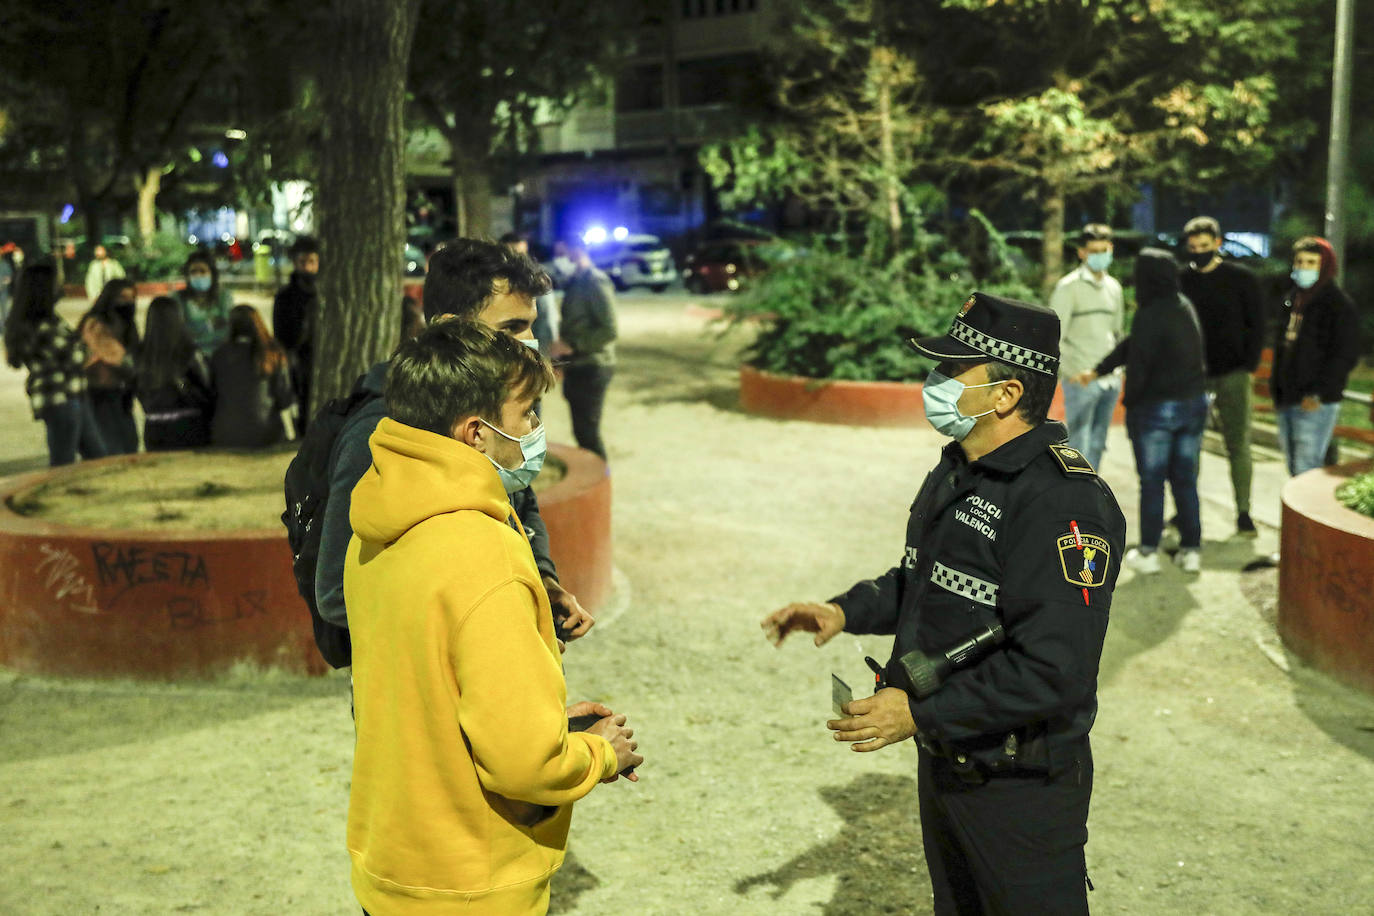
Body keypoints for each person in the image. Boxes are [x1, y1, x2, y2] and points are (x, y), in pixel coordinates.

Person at [761, 292, 1125, 915]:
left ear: (1006, 395)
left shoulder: (1063, 503)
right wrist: (845, 611)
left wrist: (919, 715)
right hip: (951, 757)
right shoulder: (962, 468)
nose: (935, 382)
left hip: (1018, 782)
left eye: (953, 371)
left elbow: (1053, 670)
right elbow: (925, 580)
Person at [345, 319, 641, 915]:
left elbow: (430, 691)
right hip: (471, 881)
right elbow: (524, 762)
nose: (536, 431)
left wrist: (540, 715)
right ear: (476, 434)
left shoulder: (377, 520)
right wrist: (600, 753)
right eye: (529, 413)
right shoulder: (487, 554)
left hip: (394, 857)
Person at [314, 238, 595, 647]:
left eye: (531, 324)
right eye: (512, 327)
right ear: (451, 325)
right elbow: (337, 594)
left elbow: (519, 498)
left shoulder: (497, 404)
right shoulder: (384, 428)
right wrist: (484, 616)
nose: (530, 341)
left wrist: (543, 581)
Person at [1075, 249, 1208, 574]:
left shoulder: (1149, 313)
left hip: (1157, 410)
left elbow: (1141, 363)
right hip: (1192, 405)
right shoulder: (1182, 306)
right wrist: (1101, 368)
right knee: (1185, 481)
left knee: (1152, 482)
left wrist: (1131, 403)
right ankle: (1191, 550)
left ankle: (1149, 552)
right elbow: (1134, 345)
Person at [1177, 216, 1266, 537]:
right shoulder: (1181, 280)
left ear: (1218, 243)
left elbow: (1257, 324)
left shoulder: (1240, 278)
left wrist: (1248, 365)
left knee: (1238, 443)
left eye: (1205, 245)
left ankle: (1244, 511)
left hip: (1233, 374)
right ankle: (1185, 510)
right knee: (1188, 445)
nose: (1199, 252)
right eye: (1193, 247)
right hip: (1194, 377)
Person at [1270, 236, 1361, 476]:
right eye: (1299, 261)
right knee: (1293, 467)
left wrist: (1319, 393)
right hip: (1287, 396)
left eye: (1311, 262)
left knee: (1306, 468)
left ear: (1325, 266)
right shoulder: (1292, 300)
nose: (1303, 267)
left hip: (1314, 401)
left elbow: (1344, 355)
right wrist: (1277, 390)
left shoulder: (1338, 304)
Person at [4, 260, 108, 466]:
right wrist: (87, 345)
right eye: (56, 282)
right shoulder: (40, 326)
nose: (60, 286)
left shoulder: (46, 320)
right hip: (60, 398)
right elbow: (75, 358)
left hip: (72, 394)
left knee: (97, 457)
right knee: (63, 462)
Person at [1049, 223, 1125, 470]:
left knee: (1099, 441)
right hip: (1080, 377)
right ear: (1081, 252)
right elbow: (1055, 335)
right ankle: (1075, 497)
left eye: (1104, 250)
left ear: (1111, 248)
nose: (1100, 256)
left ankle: (1092, 493)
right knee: (1079, 443)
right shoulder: (1068, 287)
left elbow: (1116, 332)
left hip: (1109, 377)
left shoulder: (1114, 288)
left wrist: (1117, 371)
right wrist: (1070, 372)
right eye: (1093, 251)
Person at [551, 241, 618, 460]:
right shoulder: (575, 283)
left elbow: (609, 329)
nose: (559, 259)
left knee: (588, 434)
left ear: (577, 252)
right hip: (577, 365)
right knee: (581, 433)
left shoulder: (595, 282)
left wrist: (574, 345)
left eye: (562, 254)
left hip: (593, 366)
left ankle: (600, 483)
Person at [209, 305, 295, 448]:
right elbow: (284, 397)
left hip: (225, 433)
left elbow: (213, 393)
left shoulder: (220, 354)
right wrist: (291, 432)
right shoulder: (272, 354)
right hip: (264, 432)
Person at [136, 296, 213, 450]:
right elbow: (208, 390)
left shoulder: (142, 354)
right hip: (189, 426)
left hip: (154, 428)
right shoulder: (189, 352)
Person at [78, 279, 140, 455]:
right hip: (99, 392)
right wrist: (137, 369)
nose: (127, 303)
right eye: (122, 297)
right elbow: (113, 355)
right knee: (111, 448)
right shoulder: (95, 324)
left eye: (131, 298)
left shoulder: (126, 324)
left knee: (129, 444)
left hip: (121, 393)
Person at [272, 235, 319, 426]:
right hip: (299, 358)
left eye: (312, 262)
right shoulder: (285, 297)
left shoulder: (327, 293)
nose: (307, 267)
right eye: (302, 262)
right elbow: (280, 334)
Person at [175, 250, 233, 355]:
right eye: (193, 272)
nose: (198, 275)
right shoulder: (179, 298)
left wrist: (195, 329)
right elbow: (179, 331)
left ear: (212, 274)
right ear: (187, 276)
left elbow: (227, 329)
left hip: (221, 354)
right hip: (190, 355)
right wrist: (211, 325)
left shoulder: (224, 296)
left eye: (202, 271)